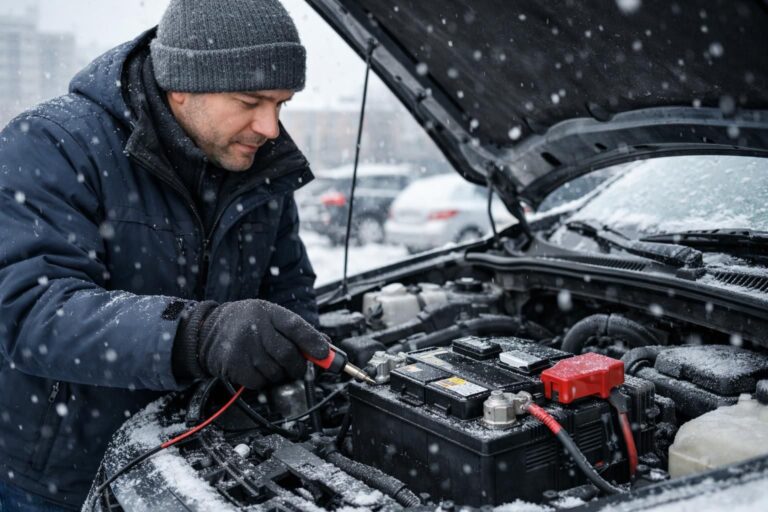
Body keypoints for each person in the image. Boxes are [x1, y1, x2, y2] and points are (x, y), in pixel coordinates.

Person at [0, 0, 330, 509]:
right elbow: (29, 311)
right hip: (62, 478)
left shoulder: (257, 163)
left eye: (281, 104)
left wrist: (305, 367)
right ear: (182, 86)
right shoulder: (53, 145)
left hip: (202, 464)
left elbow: (287, 288)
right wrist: (195, 334)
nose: (269, 126)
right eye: (250, 101)